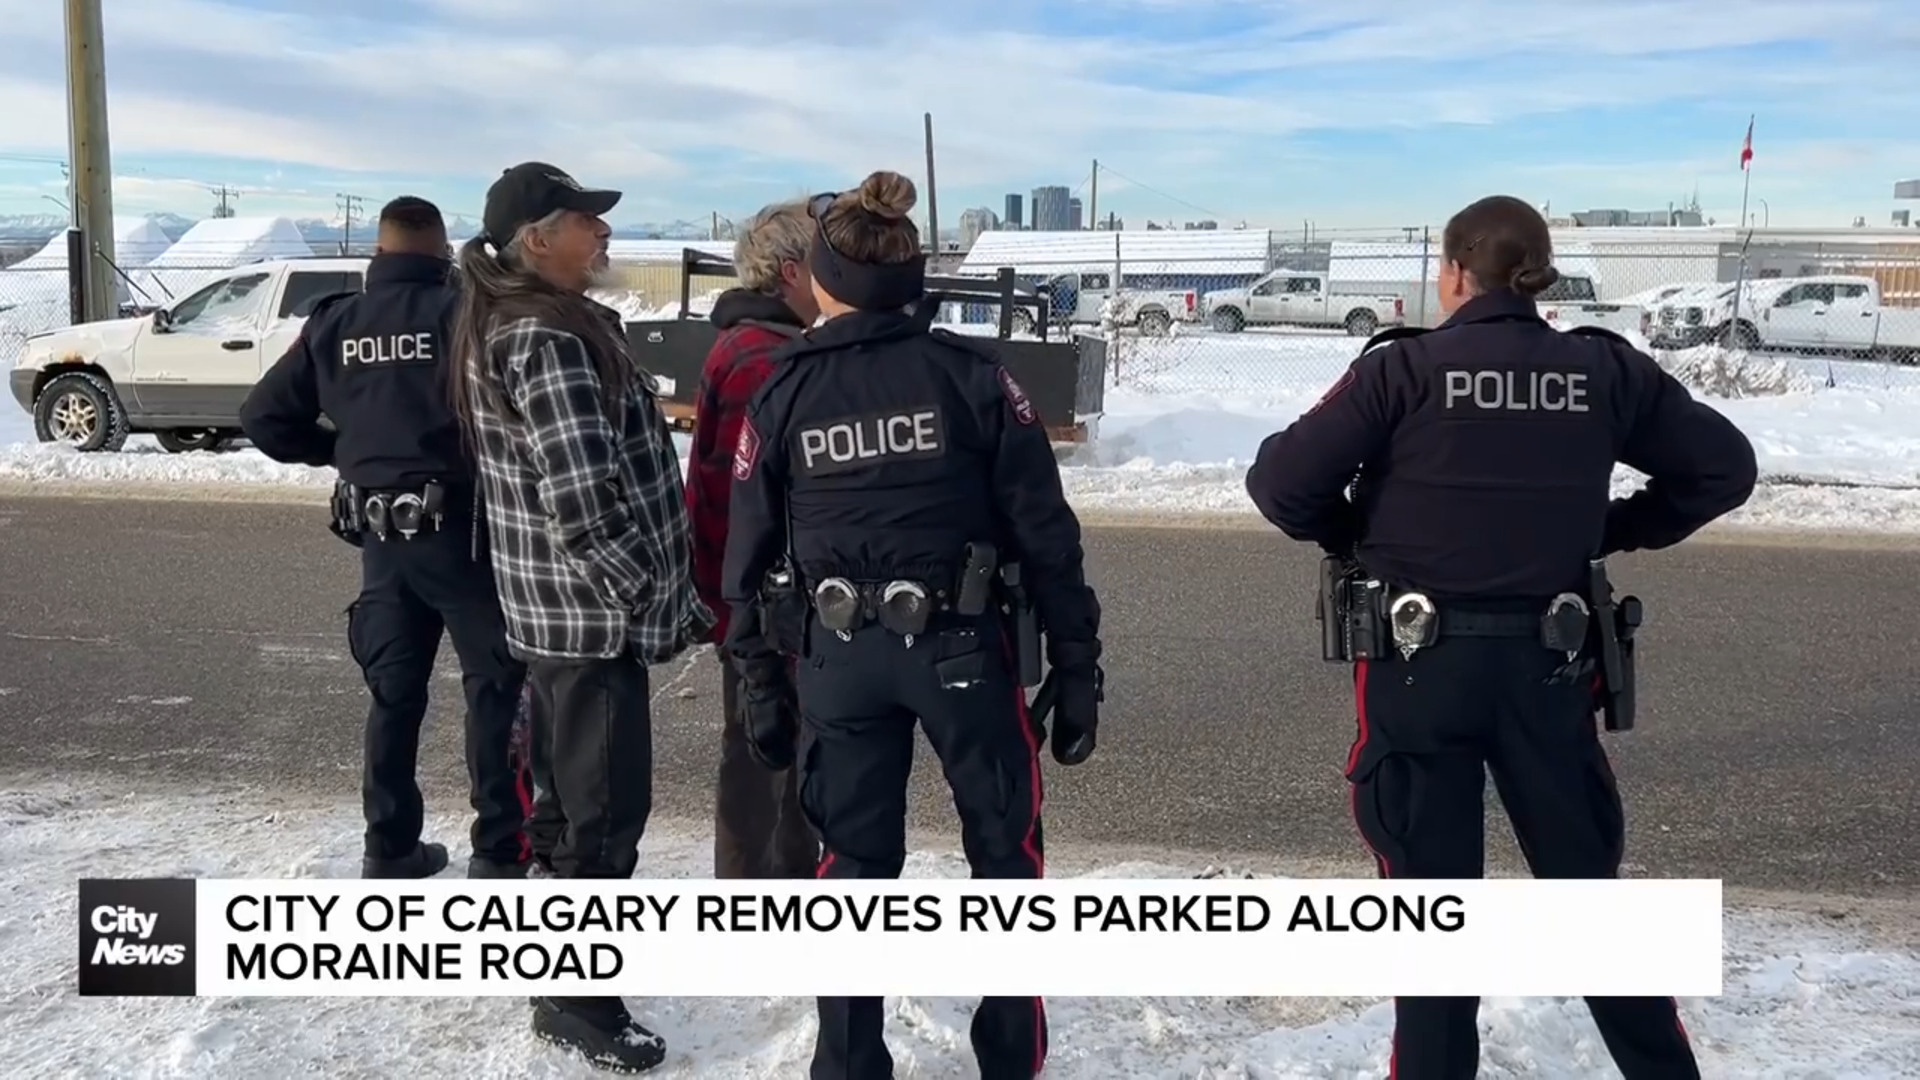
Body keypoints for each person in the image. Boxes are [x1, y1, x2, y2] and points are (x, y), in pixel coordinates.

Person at [1243, 195, 1757, 1080]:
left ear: (1451, 272)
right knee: (1597, 919)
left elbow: (1282, 485)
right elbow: (1725, 468)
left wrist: (1359, 531)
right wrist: (1614, 527)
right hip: (1549, 675)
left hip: (1418, 675)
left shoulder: (1402, 371)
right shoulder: (1600, 370)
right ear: (1538, 275)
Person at [721, 171, 1105, 1080]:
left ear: (822, 281)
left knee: (852, 866)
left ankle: (849, 1064)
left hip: (839, 661)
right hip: (963, 654)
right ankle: (1012, 1060)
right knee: (1006, 861)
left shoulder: (783, 393)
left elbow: (745, 557)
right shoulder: (974, 379)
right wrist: (1080, 665)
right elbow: (1048, 536)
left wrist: (757, 679)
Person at [446, 162, 712, 1073]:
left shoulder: (528, 321)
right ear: (535, 239)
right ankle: (579, 1007)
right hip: (592, 625)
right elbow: (584, 503)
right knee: (602, 820)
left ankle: (556, 970)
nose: (601, 235)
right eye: (584, 222)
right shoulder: (546, 338)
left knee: (563, 811)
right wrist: (651, 598)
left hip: (557, 620)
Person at [238, 195, 530, 882]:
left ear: (378, 252)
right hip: (466, 536)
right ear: (441, 252)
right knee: (493, 689)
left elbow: (263, 418)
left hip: (381, 540)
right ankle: (497, 850)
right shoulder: (467, 315)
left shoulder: (335, 322)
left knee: (395, 695)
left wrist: (340, 453)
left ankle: (390, 846)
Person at [685, 198, 823, 880]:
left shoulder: (756, 347)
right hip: (765, 606)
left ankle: (784, 888)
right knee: (762, 754)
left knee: (778, 753)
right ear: (793, 273)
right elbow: (754, 505)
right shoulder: (763, 362)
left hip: (754, 600)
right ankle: (755, 902)